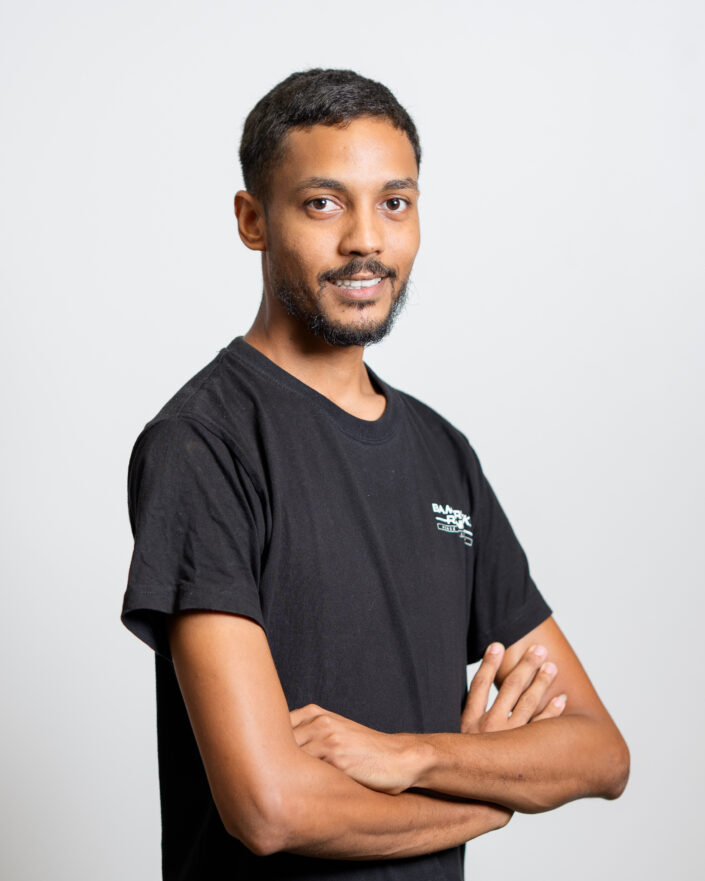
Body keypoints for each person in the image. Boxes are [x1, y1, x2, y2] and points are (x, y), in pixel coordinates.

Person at [120, 68, 629, 881]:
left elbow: (598, 752)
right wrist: (488, 799)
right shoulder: (203, 445)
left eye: (394, 202)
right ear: (253, 220)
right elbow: (269, 808)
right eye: (323, 203)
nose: (366, 239)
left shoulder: (442, 453)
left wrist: (414, 756)